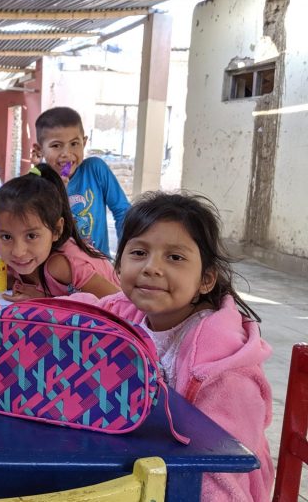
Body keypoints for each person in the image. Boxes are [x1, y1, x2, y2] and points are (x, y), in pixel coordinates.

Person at [75, 191, 273, 501]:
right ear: (118, 264)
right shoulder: (128, 312)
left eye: (175, 257)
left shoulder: (223, 370)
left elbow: (221, 474)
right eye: (139, 252)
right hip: (141, 463)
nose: (152, 267)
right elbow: (81, 312)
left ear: (205, 279)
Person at [0, 164, 119, 300]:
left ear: (57, 230)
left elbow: (121, 305)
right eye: (6, 236)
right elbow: (26, 278)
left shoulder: (61, 264)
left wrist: (43, 301)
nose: (18, 252)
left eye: (31, 236)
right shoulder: (25, 258)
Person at [34, 107, 130, 256]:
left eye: (74, 144)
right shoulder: (38, 182)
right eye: (56, 146)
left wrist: (125, 254)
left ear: (84, 143)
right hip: (58, 271)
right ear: (39, 150)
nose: (67, 154)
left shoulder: (95, 169)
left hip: (99, 266)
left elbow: (123, 211)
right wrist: (56, 192)